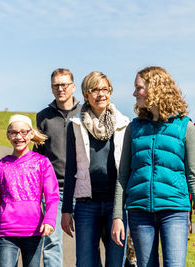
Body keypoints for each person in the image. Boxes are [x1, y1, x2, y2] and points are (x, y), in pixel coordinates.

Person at [111, 66, 195, 267]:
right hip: (139, 211)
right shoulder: (134, 127)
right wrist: (118, 216)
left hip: (174, 212)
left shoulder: (185, 126)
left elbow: (193, 176)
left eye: (139, 88)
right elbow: (123, 175)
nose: (134, 93)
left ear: (155, 89)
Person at [61, 71, 129, 267]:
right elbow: (71, 168)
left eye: (105, 89)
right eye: (95, 90)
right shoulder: (75, 125)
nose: (101, 94)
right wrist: (66, 210)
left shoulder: (123, 124)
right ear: (85, 94)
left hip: (115, 204)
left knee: (116, 261)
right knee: (85, 262)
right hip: (86, 204)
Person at [0, 114, 59, 267]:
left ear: (31, 134)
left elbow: (52, 195)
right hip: (7, 233)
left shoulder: (42, 163)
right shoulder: (0, 166)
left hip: (34, 231)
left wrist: (50, 220)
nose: (19, 137)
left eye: (24, 132)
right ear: (8, 135)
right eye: (14, 132)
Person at [34, 68, 82, 267]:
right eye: (56, 85)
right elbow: (39, 156)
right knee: (51, 240)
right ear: (52, 88)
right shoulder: (43, 117)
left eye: (64, 84)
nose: (60, 89)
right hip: (54, 190)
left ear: (72, 86)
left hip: (83, 188)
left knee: (87, 241)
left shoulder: (85, 112)